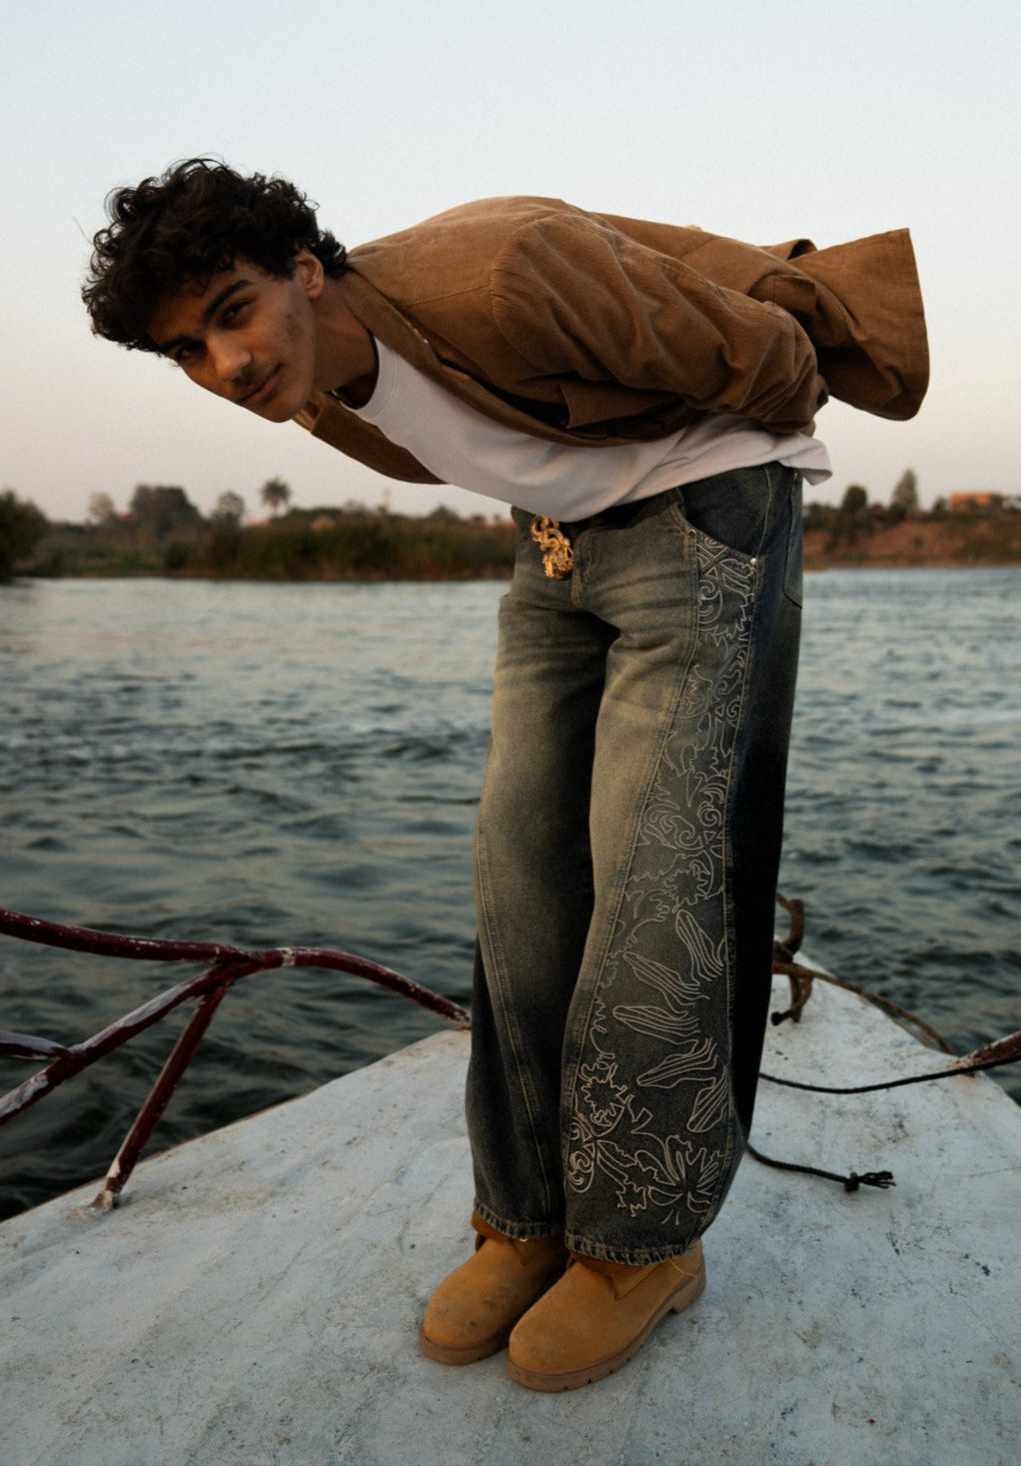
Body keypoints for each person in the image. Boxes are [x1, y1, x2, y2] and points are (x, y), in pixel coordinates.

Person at [83, 160, 928, 1392]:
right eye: (188, 349)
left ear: (306, 271)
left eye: (232, 310)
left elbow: (771, 356)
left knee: (655, 876)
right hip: (553, 554)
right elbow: (515, 439)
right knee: (521, 878)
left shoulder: (506, 269)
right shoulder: (318, 390)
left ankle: (643, 1241)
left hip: (702, 521)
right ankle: (526, 1216)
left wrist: (718, 474)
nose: (226, 363)